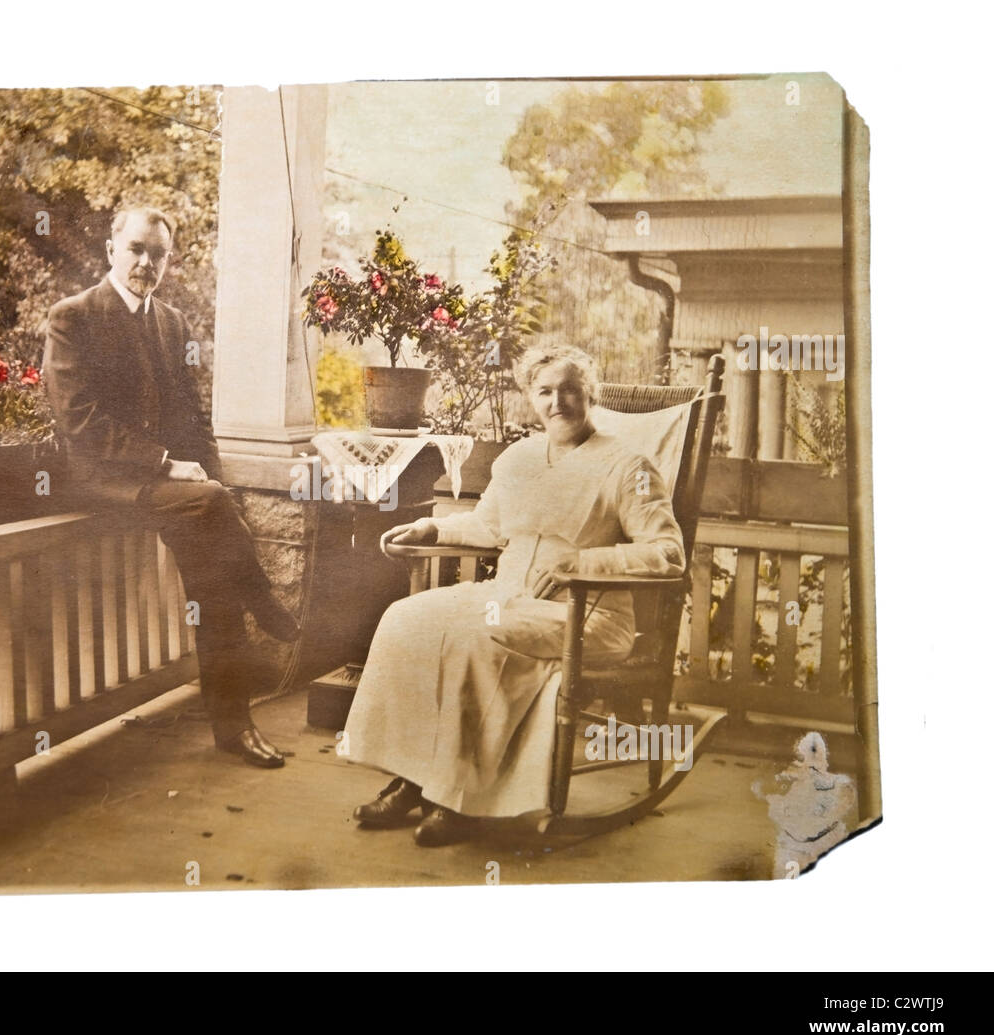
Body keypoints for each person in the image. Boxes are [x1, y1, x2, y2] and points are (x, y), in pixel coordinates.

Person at [344, 344, 686, 844]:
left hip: (588, 614)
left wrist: (583, 563)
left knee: (480, 636)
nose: (558, 402)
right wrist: (429, 530)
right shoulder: (519, 458)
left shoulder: (627, 465)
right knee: (404, 618)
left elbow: (668, 552)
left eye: (570, 389)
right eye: (545, 391)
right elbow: (488, 526)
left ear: (589, 393)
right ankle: (413, 778)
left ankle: (459, 799)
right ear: (530, 398)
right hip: (508, 595)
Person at [43, 205, 300, 768]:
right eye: (136, 249)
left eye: (157, 254)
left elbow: (193, 416)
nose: (146, 263)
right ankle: (263, 601)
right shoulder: (73, 317)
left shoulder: (173, 324)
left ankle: (234, 725)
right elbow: (80, 421)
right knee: (211, 513)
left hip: (175, 493)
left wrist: (207, 472)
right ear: (111, 249)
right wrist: (165, 464)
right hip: (101, 482)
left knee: (213, 577)